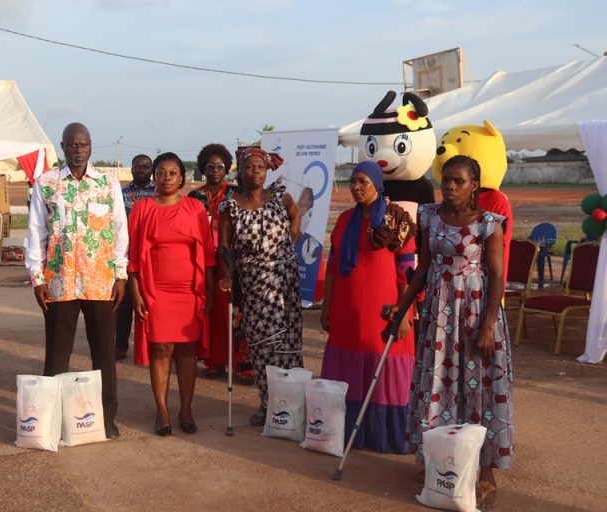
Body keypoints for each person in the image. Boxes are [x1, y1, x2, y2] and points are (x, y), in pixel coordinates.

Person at [385, 155, 514, 509]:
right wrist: (403, 303)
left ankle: (485, 472)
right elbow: (423, 265)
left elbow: (498, 276)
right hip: (438, 316)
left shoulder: (489, 224)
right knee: (438, 383)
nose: (451, 187)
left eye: (459, 181)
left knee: (480, 386)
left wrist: (489, 324)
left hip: (474, 313)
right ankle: (441, 460)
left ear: (475, 185)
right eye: (447, 180)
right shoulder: (430, 217)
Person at [25, 122, 127, 440]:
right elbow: (35, 234)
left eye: (83, 144)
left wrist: (121, 273)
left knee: (104, 356)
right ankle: (52, 421)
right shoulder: (46, 183)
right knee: (57, 355)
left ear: (91, 145)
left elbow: (120, 230)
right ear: (63, 146)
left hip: (100, 282)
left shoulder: (108, 184)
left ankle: (106, 418)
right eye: (72, 144)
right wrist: (37, 278)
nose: (78, 149)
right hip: (59, 281)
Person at [319, 161, 416, 453]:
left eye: (363, 181)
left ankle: (382, 436)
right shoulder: (345, 221)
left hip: (384, 311)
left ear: (377, 184)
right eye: (353, 181)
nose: (356, 187)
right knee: (346, 370)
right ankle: (346, 433)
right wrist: (327, 307)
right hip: (347, 311)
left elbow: (407, 273)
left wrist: (405, 314)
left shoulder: (395, 220)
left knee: (383, 368)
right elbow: (334, 267)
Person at [128, 152, 215, 436]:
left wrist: (210, 291)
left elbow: (209, 255)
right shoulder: (142, 208)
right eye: (161, 172)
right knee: (161, 348)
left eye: (173, 172)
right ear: (154, 176)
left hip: (190, 291)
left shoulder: (194, 208)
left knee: (188, 351)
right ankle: (162, 410)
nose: (167, 177)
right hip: (157, 291)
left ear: (182, 178)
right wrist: (136, 292)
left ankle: (186, 408)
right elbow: (131, 257)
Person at [218, 147, 303, 427]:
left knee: (288, 344)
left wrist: (291, 237)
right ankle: (268, 404)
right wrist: (228, 275)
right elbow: (224, 247)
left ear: (267, 171)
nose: (255, 172)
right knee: (262, 345)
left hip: (285, 279)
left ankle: (292, 405)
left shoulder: (280, 196)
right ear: (240, 171)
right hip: (254, 282)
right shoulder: (230, 206)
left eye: (260, 168)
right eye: (249, 167)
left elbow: (296, 214)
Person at [188, 143, 254, 382]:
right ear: (203, 169)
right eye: (210, 166)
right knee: (211, 312)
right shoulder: (194, 196)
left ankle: (242, 363)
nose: (215, 170)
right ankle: (214, 360)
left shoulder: (236, 193)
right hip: (203, 260)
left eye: (220, 166)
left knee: (236, 312)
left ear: (226, 169)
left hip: (231, 259)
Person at [114, 154, 154, 361]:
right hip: (127, 253)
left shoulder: (158, 193)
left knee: (153, 303)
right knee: (124, 303)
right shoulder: (120, 194)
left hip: (152, 256)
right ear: (131, 169)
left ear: (151, 170)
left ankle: (155, 345)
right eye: (137, 166)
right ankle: (120, 345)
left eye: (146, 167)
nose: (141, 170)